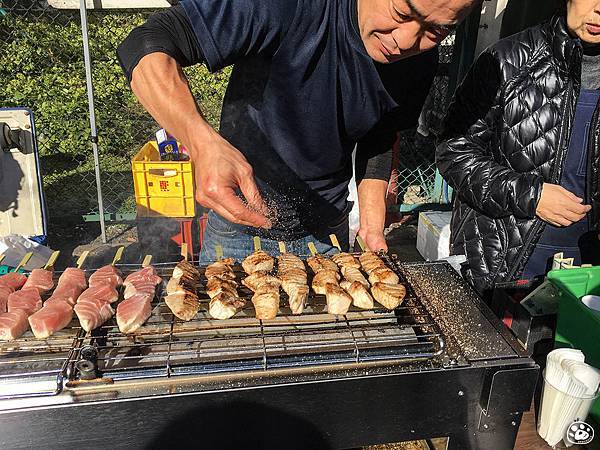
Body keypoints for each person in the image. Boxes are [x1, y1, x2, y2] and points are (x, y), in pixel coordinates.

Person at [118, 0, 475, 262]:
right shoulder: (286, 6)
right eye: (402, 12)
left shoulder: (419, 62)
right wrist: (201, 142)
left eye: (436, 29)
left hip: (328, 233)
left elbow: (381, 135)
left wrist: (370, 224)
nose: (406, 40)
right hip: (238, 230)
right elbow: (147, 43)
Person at [437, 0, 600, 295]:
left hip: (590, 270)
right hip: (504, 262)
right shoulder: (508, 61)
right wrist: (531, 194)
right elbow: (454, 152)